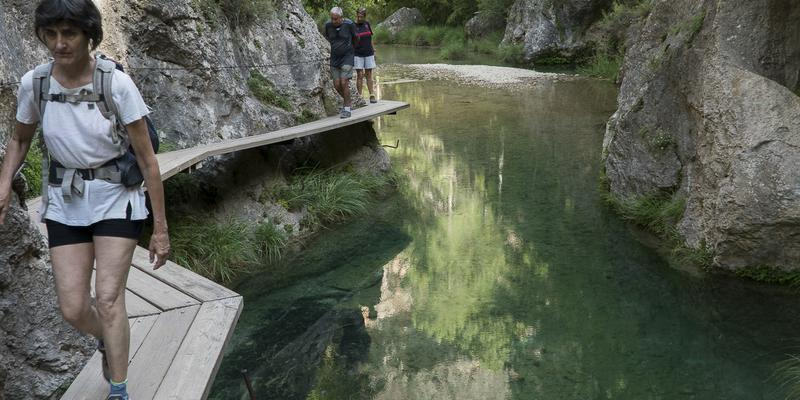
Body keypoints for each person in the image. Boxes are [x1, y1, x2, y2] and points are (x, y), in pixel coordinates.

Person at [0, 1, 170, 399]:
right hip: (65, 201)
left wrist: (160, 230)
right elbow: (20, 138)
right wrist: (4, 182)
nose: (60, 44)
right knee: (74, 308)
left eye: (70, 34)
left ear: (88, 35)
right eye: (52, 34)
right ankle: (109, 341)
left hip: (117, 198)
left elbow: (147, 160)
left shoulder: (116, 84)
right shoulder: (35, 84)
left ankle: (119, 387)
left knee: (109, 299)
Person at [324, 6, 359, 118]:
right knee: (337, 85)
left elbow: (356, 38)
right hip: (334, 58)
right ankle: (348, 101)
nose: (333, 21)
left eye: (336, 19)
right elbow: (327, 38)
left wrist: (351, 50)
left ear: (341, 17)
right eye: (332, 18)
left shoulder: (349, 24)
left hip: (347, 57)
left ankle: (347, 108)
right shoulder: (328, 25)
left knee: (344, 82)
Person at [354, 7, 377, 104]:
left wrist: (374, 50)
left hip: (368, 53)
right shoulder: (353, 25)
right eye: (358, 16)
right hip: (357, 54)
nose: (360, 18)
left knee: (369, 74)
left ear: (365, 16)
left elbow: (370, 38)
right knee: (359, 75)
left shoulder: (367, 24)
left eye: (361, 17)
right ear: (357, 15)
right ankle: (359, 97)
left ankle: (372, 95)